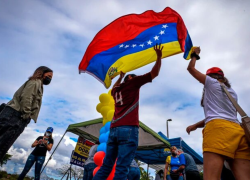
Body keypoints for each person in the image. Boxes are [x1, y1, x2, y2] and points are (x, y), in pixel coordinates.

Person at [93, 44, 164, 180]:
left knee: (106, 166)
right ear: (131, 79)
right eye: (134, 76)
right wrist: (159, 57)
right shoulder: (133, 83)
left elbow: (114, 87)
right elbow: (154, 74)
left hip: (114, 129)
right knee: (122, 168)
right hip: (128, 129)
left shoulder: (116, 91)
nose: (137, 77)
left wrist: (120, 77)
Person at [186, 47, 250, 180]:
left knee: (211, 177)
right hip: (238, 131)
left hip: (218, 130)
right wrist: (195, 125)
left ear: (209, 76)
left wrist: (194, 55)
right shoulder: (232, 92)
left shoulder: (211, 83)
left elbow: (191, 69)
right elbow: (221, 114)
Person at [0, 66, 53, 161]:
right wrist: (26, 114)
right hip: (15, 116)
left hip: (14, 116)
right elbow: (26, 98)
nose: (50, 79)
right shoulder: (35, 82)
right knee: (2, 146)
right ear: (42, 73)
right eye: (48, 75)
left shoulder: (37, 84)